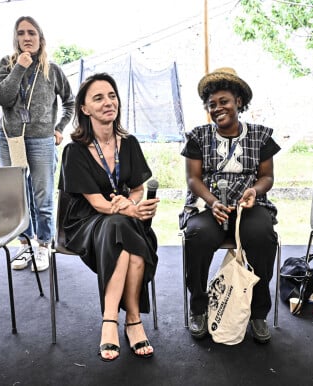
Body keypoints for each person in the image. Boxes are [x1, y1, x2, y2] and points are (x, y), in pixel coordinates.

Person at [59, 73, 159, 361]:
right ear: (84, 108)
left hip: (121, 218)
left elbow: (139, 189)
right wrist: (128, 208)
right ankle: (126, 321)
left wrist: (133, 203)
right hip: (85, 221)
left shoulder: (129, 143)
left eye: (112, 95)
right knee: (122, 225)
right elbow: (98, 203)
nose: (108, 102)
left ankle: (118, 320)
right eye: (98, 98)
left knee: (124, 228)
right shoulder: (74, 151)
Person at [179, 67, 280, 344]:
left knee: (262, 236)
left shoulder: (261, 136)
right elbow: (193, 179)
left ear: (238, 101)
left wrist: (254, 191)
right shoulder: (198, 136)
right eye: (211, 105)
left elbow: (267, 177)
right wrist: (212, 203)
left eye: (223, 101)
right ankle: (199, 308)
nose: (217, 108)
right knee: (197, 235)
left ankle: (258, 312)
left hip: (249, 205)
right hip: (208, 205)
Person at [0, 16, 74, 272]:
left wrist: (59, 129)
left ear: (40, 38)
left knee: (43, 196)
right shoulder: (7, 64)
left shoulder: (53, 70)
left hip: (41, 141)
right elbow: (3, 98)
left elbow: (70, 102)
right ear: (15, 38)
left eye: (31, 33)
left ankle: (43, 245)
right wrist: (19, 69)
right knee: (18, 196)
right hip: (10, 140)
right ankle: (25, 244)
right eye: (21, 33)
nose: (26, 37)